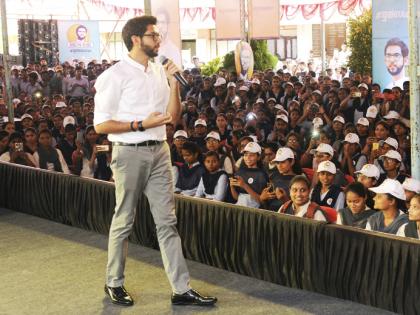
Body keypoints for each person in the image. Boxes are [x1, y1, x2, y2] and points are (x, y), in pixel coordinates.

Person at [93, 16, 216, 306]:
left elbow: (172, 116)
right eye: (153, 35)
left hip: (161, 151)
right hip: (129, 152)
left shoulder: (159, 71)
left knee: (168, 222)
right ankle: (114, 282)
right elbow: (101, 126)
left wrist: (174, 83)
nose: (159, 40)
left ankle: (181, 288)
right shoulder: (115, 75)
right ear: (136, 39)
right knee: (124, 220)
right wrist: (139, 124)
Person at [229, 142, 268, 208]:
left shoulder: (262, 175)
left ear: (258, 157)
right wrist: (232, 186)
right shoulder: (240, 172)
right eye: (246, 154)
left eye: (252, 155)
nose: (248, 158)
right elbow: (236, 197)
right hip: (239, 208)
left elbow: (261, 201)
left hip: (253, 211)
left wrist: (244, 185)